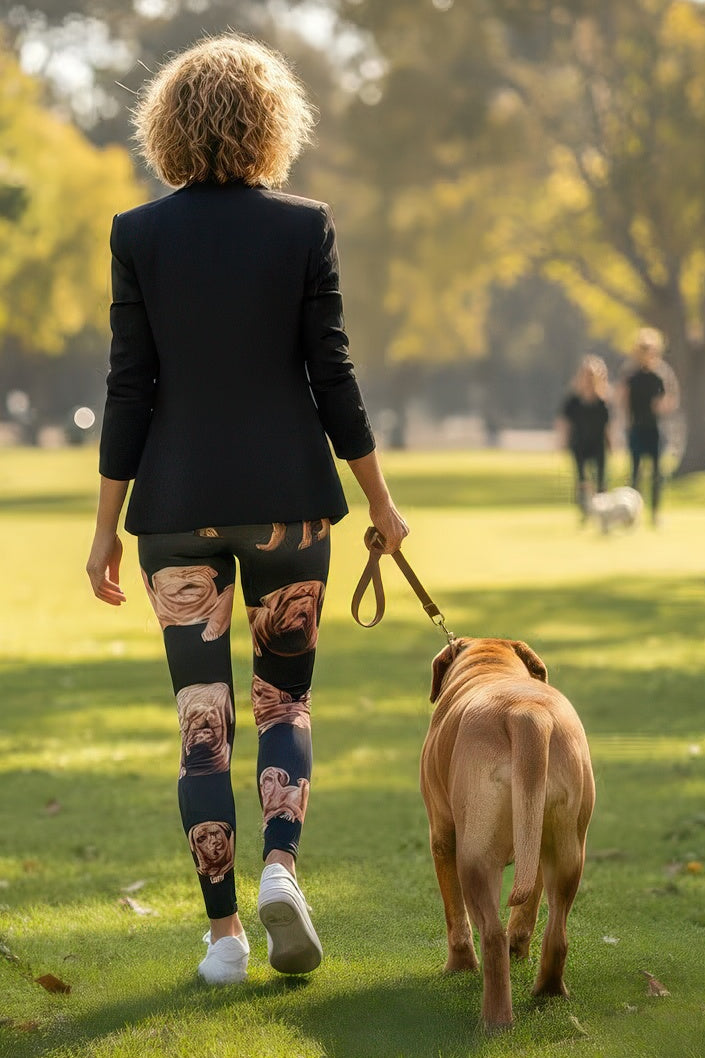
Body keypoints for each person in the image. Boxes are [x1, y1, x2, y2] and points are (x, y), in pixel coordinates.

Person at [85, 33, 408, 986]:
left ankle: (224, 939)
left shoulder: (138, 234)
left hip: (176, 506)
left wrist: (106, 527)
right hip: (290, 506)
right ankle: (279, 869)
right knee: (283, 704)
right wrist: (380, 503)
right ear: (274, 122)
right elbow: (333, 376)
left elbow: (128, 387)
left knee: (202, 722)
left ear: (166, 127)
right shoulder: (302, 226)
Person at [618, 327, 680, 523]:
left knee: (656, 473)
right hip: (636, 428)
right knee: (635, 473)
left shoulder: (661, 374)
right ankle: (632, 514)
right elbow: (623, 399)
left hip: (655, 429)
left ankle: (654, 513)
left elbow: (672, 398)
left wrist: (663, 406)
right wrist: (624, 423)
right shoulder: (631, 374)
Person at [556, 355, 611, 518]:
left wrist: (611, 443)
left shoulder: (602, 401)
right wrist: (563, 441)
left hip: (598, 444)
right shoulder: (573, 400)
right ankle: (584, 511)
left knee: (601, 478)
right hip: (579, 443)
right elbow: (564, 422)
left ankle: (602, 510)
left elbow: (607, 425)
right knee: (582, 479)